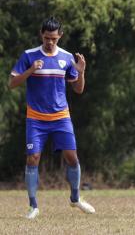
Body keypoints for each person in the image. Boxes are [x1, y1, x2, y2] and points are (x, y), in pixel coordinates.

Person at [9, 17, 95, 220]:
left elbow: (78, 89)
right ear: (41, 35)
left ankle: (75, 198)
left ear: (60, 36)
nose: (50, 42)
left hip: (61, 117)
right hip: (36, 119)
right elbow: (12, 83)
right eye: (47, 38)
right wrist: (31, 70)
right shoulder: (29, 56)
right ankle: (33, 206)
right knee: (33, 158)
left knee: (72, 158)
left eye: (54, 39)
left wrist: (81, 73)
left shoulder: (66, 57)